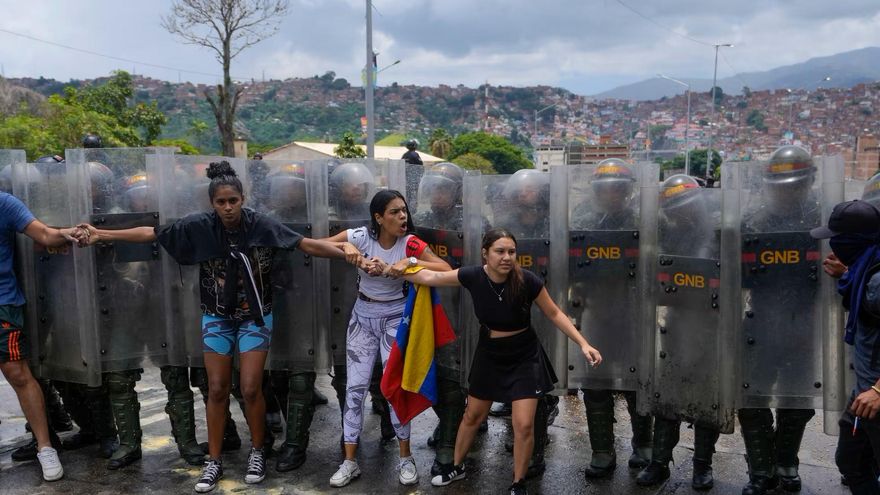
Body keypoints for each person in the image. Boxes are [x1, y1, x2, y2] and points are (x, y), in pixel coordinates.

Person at [73, 161, 360, 493]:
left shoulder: (260, 224)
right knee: (217, 388)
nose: (227, 208)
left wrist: (347, 251)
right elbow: (151, 233)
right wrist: (101, 234)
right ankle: (214, 460)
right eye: (220, 202)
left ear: (242, 199)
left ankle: (257, 451)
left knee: (251, 387)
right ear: (212, 203)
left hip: (255, 316)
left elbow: (306, 244)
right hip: (217, 317)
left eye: (233, 201)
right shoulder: (199, 226)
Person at [402, 227, 602, 495]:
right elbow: (432, 276)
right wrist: (402, 267)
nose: (507, 257)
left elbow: (555, 313)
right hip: (490, 353)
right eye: (500, 251)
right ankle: (457, 466)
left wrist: (584, 343)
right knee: (473, 414)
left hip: (524, 355)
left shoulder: (527, 280)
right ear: (485, 254)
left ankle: (518, 483)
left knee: (524, 424)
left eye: (511, 251)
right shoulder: (472, 276)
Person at [321, 189, 452, 488]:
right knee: (354, 389)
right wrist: (346, 250)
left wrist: (409, 264)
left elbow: (445, 269)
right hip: (362, 319)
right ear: (378, 217)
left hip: (396, 320)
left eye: (404, 210)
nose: (402, 216)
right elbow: (315, 246)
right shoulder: (360, 237)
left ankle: (405, 458)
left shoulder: (411, 243)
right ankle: (349, 461)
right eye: (394, 212)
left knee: (394, 389)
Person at [738, 146, 819, 495]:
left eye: (795, 183)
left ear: (809, 182)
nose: (788, 189)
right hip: (761, 322)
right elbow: (734, 273)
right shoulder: (753, 220)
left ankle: (786, 463)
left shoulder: (821, 218)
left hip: (804, 323)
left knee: (797, 402)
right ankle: (760, 470)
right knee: (752, 399)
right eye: (782, 183)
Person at [636, 175, 721, 490]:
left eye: (683, 206)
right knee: (667, 395)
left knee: (707, 397)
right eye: (673, 208)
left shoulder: (720, 232)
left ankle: (702, 465)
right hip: (676, 319)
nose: (679, 213)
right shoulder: (667, 234)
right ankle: (659, 463)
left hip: (711, 323)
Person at [570, 160, 654, 479]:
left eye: (619, 188)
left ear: (629, 190)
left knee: (638, 384)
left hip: (634, 312)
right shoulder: (582, 218)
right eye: (606, 188)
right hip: (596, 311)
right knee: (595, 386)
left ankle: (643, 444)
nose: (612, 194)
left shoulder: (645, 219)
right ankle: (602, 451)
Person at [0, 184, 78, 481]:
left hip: (3, 302)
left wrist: (70, 232)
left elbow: (43, 234)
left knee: (18, 373)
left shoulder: (5, 203)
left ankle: (45, 447)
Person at [811, 200, 880, 495]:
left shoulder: (877, 282)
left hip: (875, 396)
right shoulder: (867, 267)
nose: (833, 245)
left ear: (853, 241)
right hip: (863, 393)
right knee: (851, 461)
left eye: (838, 239)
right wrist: (849, 271)